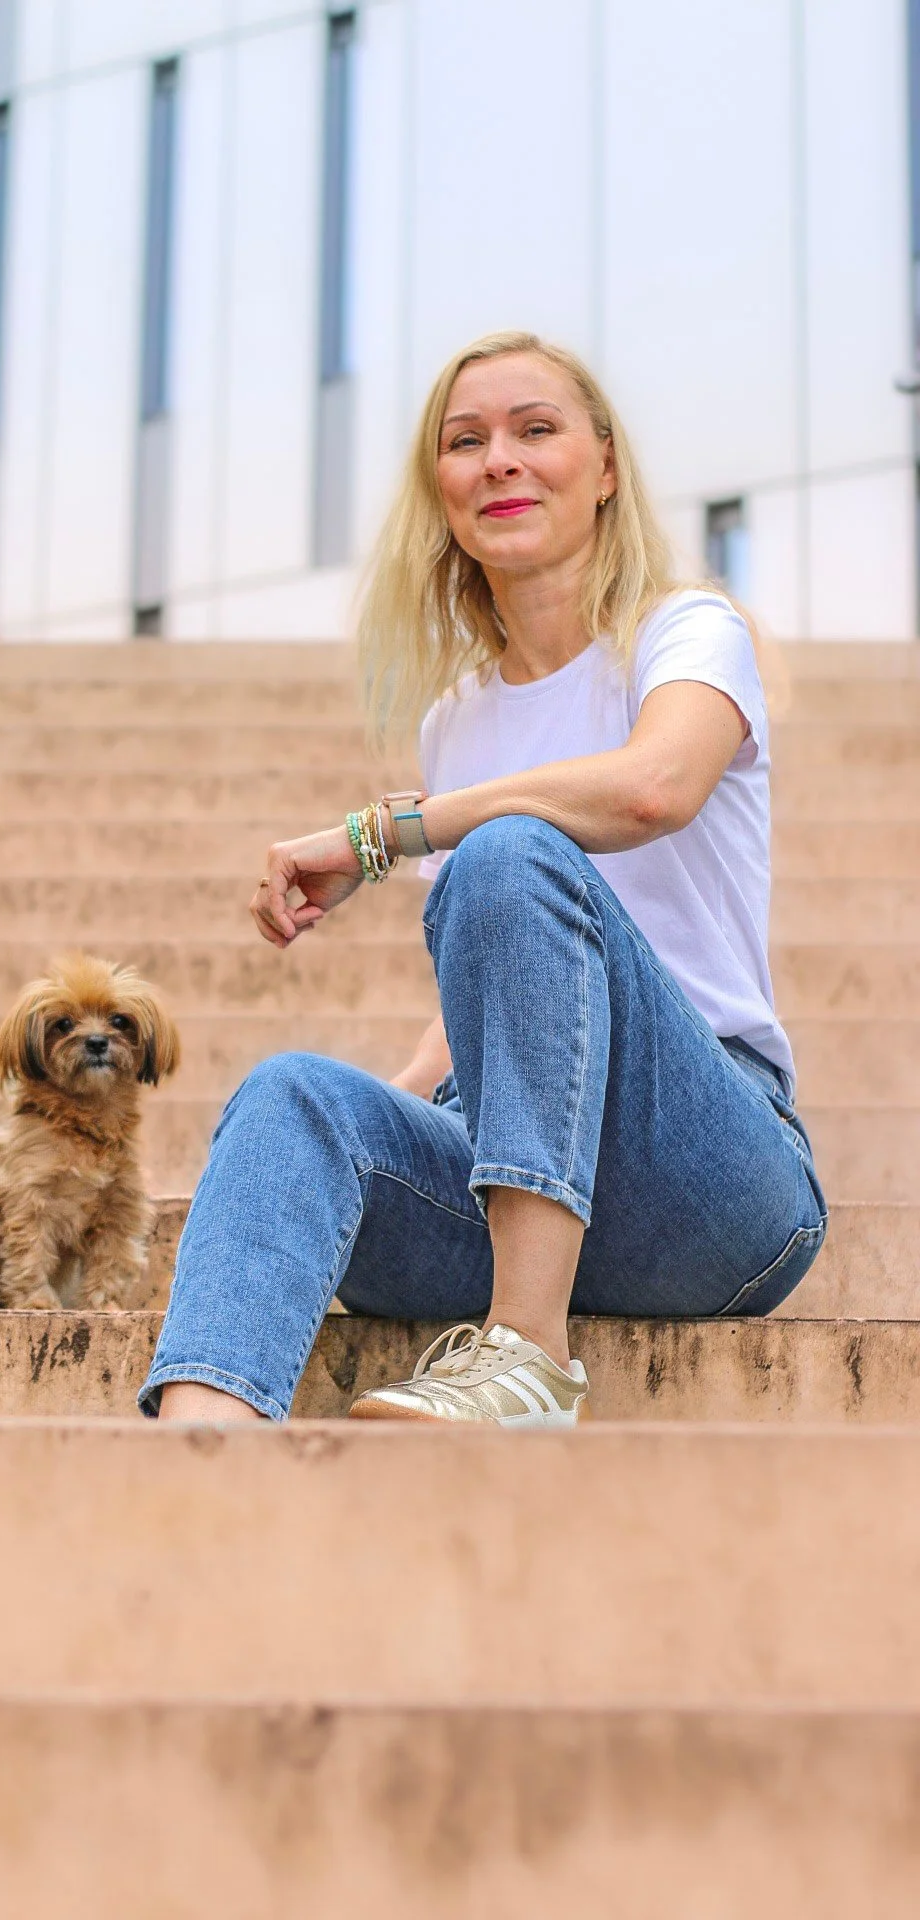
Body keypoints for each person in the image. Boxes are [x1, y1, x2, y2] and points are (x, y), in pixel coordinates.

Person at [139, 329, 826, 1427]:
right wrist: (337, 1147)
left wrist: (382, 834)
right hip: (500, 1175)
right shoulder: (455, 721)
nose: (499, 459)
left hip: (705, 1182)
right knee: (289, 1097)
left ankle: (525, 1356)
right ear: (441, 490)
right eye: (465, 442)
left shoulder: (685, 632)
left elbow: (653, 788)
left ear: (604, 467)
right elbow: (495, 998)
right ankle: (191, 1467)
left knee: (510, 850)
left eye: (534, 430)